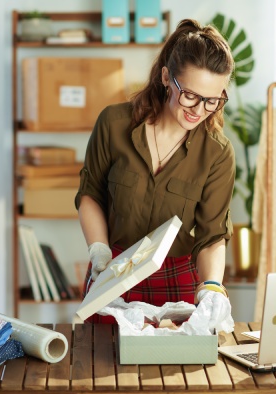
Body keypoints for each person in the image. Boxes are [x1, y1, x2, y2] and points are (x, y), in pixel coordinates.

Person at [75, 18, 236, 326]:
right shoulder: (113, 124)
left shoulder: (217, 153)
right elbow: (90, 193)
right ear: (166, 77)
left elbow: (212, 234)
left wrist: (213, 286)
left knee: (173, 373)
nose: (198, 110)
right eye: (190, 94)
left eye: (212, 100)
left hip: (177, 283)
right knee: (100, 366)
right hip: (113, 271)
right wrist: (99, 253)